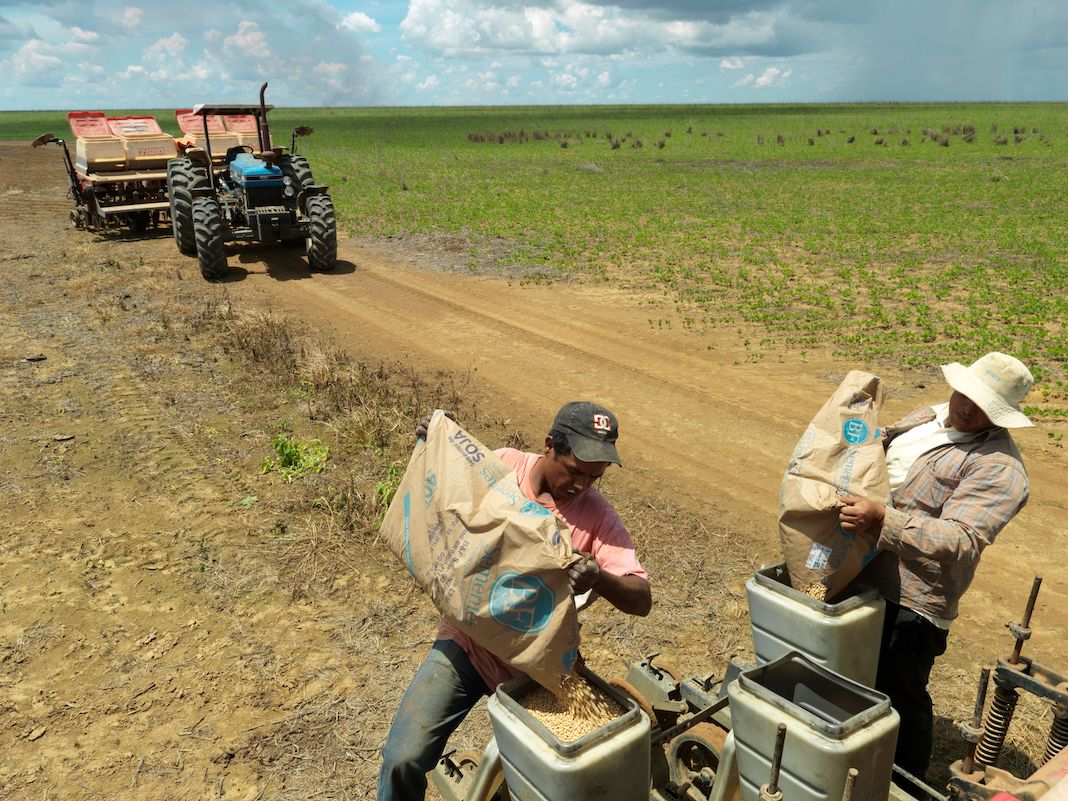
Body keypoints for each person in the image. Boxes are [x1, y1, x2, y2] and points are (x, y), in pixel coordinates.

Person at [377, 401, 652, 801]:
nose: (582, 486)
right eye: (575, 472)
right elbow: (454, 488)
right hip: (468, 643)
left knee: (559, 777)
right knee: (403, 757)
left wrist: (600, 577)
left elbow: (641, 599)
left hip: (534, 663)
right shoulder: (503, 466)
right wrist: (440, 439)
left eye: (595, 477)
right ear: (549, 446)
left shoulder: (598, 518)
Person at [837, 352, 1034, 787]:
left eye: (984, 406)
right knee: (847, 671)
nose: (966, 407)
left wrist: (881, 520)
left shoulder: (1001, 469)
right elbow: (880, 444)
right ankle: (845, 761)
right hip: (860, 568)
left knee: (898, 693)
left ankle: (905, 785)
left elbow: (960, 540)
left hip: (912, 597)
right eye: (966, 393)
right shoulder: (932, 415)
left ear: (1002, 416)